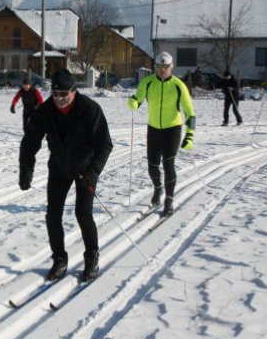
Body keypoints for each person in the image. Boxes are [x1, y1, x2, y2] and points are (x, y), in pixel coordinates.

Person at [19, 68, 113, 282]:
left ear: (74, 91)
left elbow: (105, 145)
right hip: (59, 168)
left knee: (83, 214)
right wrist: (26, 171)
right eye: (55, 94)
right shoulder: (46, 110)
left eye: (63, 94)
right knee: (53, 215)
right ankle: (59, 258)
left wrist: (92, 173)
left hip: (85, 169)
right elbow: (30, 141)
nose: (59, 99)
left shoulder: (90, 109)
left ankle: (91, 258)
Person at [127, 51, 196, 216]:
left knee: (168, 164)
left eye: (166, 67)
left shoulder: (179, 85)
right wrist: (133, 102)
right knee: (152, 166)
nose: (162, 70)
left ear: (171, 67)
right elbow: (138, 98)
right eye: (159, 67)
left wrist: (190, 135)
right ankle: (158, 189)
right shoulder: (147, 82)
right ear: (155, 67)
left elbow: (190, 113)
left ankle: (169, 200)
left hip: (173, 129)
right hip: (154, 129)